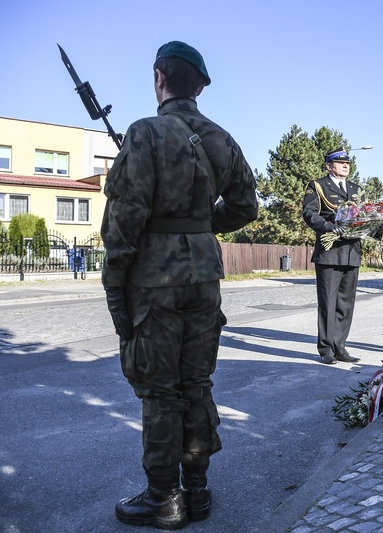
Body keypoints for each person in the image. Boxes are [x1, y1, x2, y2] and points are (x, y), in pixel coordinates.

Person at [101, 41, 258, 529]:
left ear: (158, 79)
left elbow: (123, 221)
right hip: (205, 279)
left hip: (156, 281)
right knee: (196, 383)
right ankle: (198, 490)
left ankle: (163, 498)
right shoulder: (221, 138)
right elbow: (246, 206)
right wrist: (198, 223)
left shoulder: (143, 133)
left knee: (160, 391)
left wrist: (114, 286)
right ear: (201, 86)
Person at [302, 147, 362, 365]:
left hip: (352, 251)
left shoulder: (356, 189)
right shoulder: (317, 186)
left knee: (346, 303)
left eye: (347, 162)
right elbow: (309, 214)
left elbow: (363, 215)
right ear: (329, 165)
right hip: (329, 251)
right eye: (339, 162)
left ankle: (340, 346)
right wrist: (329, 228)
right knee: (328, 301)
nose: (345, 165)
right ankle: (326, 348)